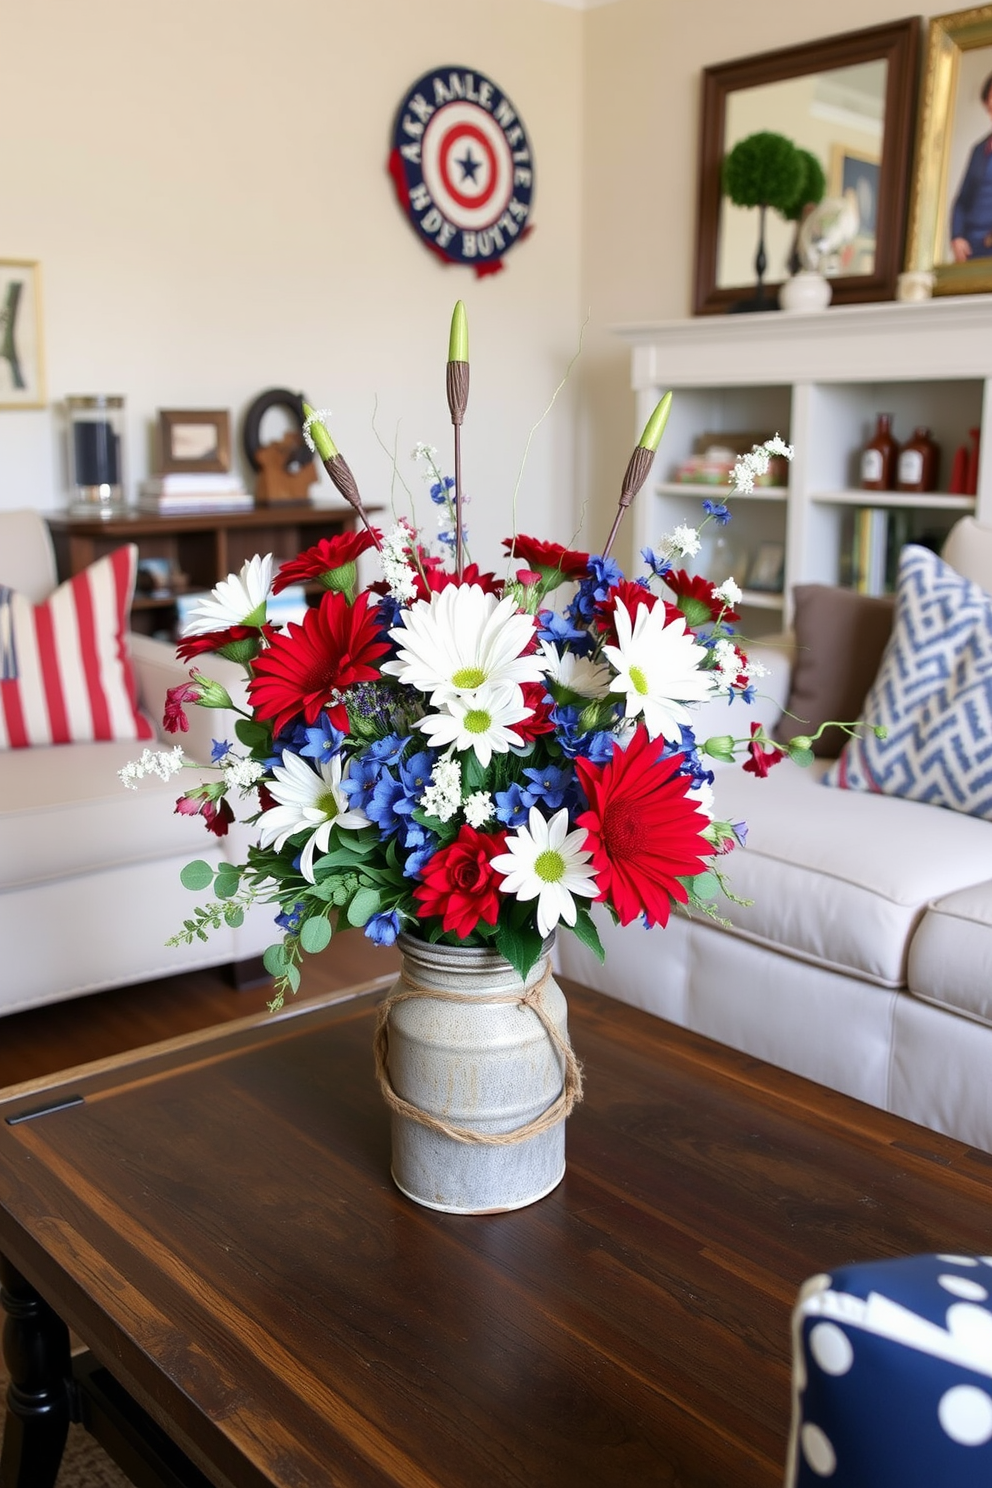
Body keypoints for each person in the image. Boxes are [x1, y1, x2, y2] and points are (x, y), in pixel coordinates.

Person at [950, 71, 992, 263]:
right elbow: (962, 200)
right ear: (986, 104)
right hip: (971, 247)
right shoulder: (978, 150)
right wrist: (957, 237)